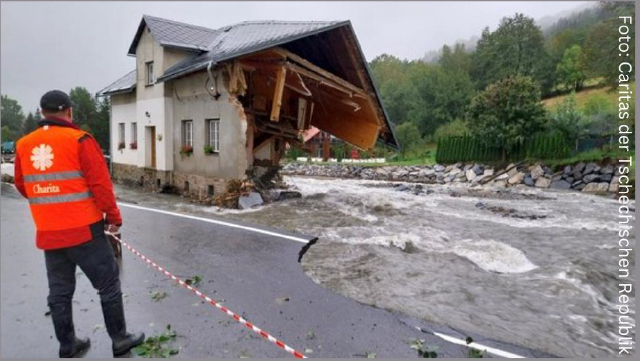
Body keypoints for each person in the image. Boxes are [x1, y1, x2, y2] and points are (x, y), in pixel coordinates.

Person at [14, 90, 145, 357]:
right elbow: (101, 184)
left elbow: (22, 185)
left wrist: (47, 200)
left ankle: (68, 344)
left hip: (49, 234)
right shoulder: (80, 140)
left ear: (42, 113)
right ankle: (120, 339)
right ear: (69, 112)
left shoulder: (24, 145)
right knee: (108, 284)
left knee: (59, 292)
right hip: (85, 230)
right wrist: (114, 218)